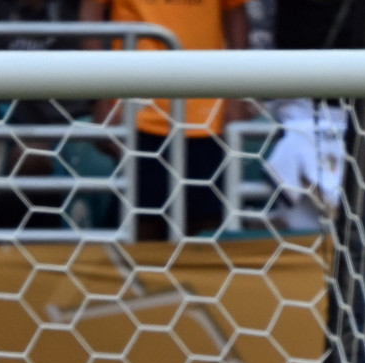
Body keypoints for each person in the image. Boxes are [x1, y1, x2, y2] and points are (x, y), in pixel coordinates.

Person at [80, 0, 249, 240]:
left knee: (205, 227)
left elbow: (235, 13)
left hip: (206, 106)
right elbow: (90, 15)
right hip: (138, 104)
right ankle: (136, 278)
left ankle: (192, 278)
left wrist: (236, 94)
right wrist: (102, 93)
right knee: (140, 222)